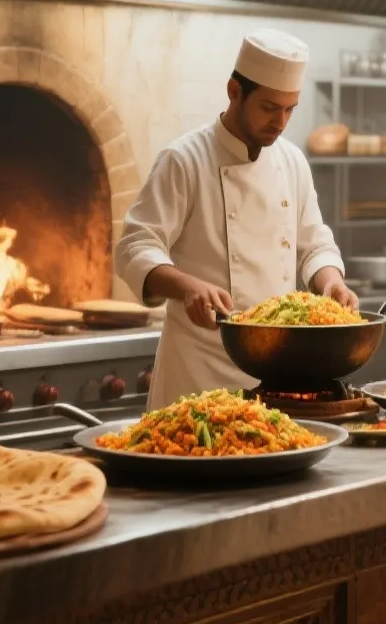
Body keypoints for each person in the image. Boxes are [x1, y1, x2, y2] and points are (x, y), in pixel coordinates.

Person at [115, 29, 356, 407]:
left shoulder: (291, 161)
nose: (280, 121)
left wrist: (331, 283)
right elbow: (135, 246)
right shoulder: (184, 159)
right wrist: (187, 286)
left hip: (275, 370)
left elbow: (314, 243)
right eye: (268, 107)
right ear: (234, 91)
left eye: (289, 109)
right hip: (199, 370)